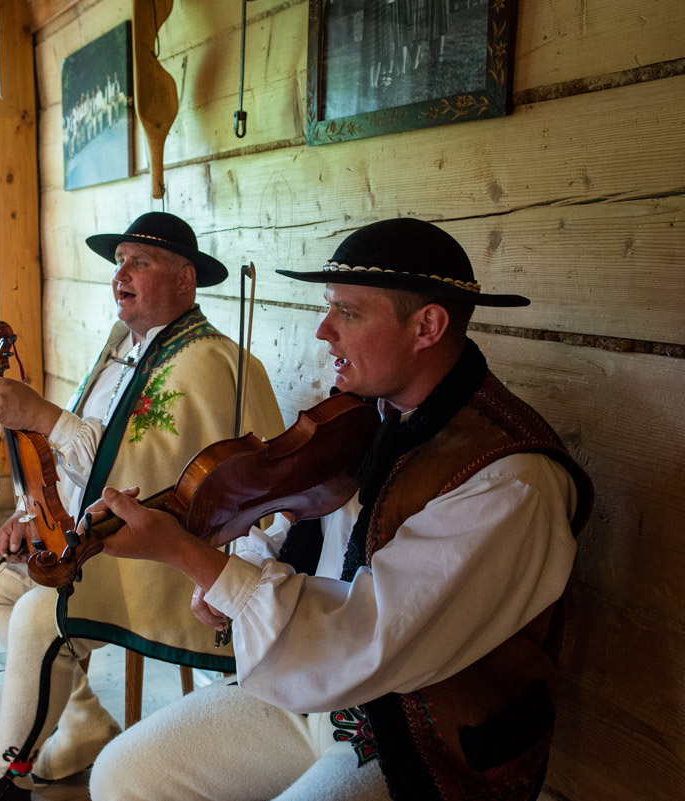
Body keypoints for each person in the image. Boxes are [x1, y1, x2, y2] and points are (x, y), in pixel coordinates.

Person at [85, 218, 594, 801]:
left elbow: (366, 638)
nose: (324, 331)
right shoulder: (368, 417)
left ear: (427, 325)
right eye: (329, 309)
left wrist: (193, 558)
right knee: (125, 773)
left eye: (348, 313)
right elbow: (295, 525)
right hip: (315, 696)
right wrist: (240, 564)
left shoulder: (509, 481)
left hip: (419, 736)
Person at [0, 212, 285, 800]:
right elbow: (88, 467)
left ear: (185, 280)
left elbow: (135, 484)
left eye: (140, 262)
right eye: (118, 262)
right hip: (96, 536)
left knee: (39, 614)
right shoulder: (121, 350)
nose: (121, 274)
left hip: (167, 558)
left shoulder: (208, 364)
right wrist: (34, 513)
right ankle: (81, 722)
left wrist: (44, 416)